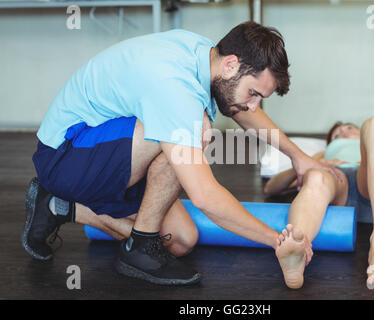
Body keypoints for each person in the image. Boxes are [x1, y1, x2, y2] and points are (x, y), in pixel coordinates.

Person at [21, 22, 340, 286]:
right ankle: (140, 247)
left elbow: (239, 108)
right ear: (231, 64)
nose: (253, 106)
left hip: (104, 151)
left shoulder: (208, 55)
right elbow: (204, 195)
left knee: (182, 240)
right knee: (193, 129)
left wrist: (299, 157)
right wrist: (276, 241)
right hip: (65, 154)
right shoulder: (174, 86)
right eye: (254, 93)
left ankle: (61, 206)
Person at [264, 118, 374, 289]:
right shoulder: (323, 154)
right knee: (316, 176)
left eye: (349, 128)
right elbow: (271, 189)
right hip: (338, 178)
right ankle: (297, 251)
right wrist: (310, 164)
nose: (344, 133)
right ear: (330, 145)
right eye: (336, 135)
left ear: (360, 135)